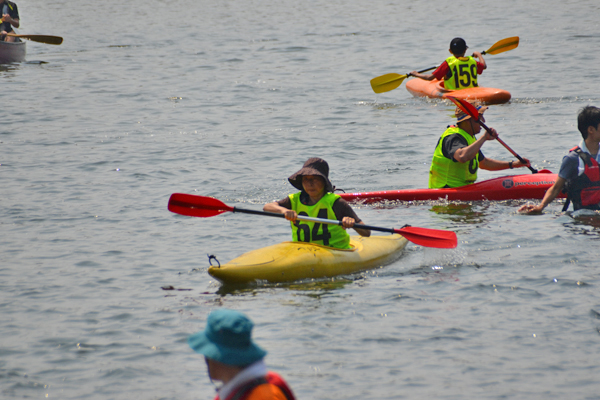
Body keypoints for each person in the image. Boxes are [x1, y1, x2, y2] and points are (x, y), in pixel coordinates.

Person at [188, 308, 296, 400]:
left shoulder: (265, 396)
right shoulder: (237, 389)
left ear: (219, 358)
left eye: (207, 353)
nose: (205, 358)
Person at [264, 157, 370, 249]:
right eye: (306, 179)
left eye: (315, 179)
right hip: (302, 251)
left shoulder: (336, 203)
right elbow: (267, 207)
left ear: (324, 181)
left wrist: (351, 223)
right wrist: (284, 211)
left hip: (336, 251)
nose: (310, 184)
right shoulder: (294, 200)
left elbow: (366, 233)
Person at [519, 106, 600, 214]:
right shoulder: (573, 159)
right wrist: (540, 207)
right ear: (591, 130)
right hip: (584, 217)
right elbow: (556, 188)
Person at [429, 104, 530, 188]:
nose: (484, 121)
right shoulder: (452, 137)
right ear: (468, 120)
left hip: (464, 190)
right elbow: (462, 156)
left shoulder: (469, 137)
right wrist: (484, 138)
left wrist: (513, 164)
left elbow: (484, 163)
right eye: (480, 117)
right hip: (446, 191)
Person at [411, 37, 487, 90]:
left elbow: (430, 77)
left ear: (450, 51)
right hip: (472, 92)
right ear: (465, 50)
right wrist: (479, 55)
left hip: (454, 93)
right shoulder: (472, 61)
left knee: (447, 74)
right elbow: (484, 66)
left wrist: (416, 74)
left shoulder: (449, 62)